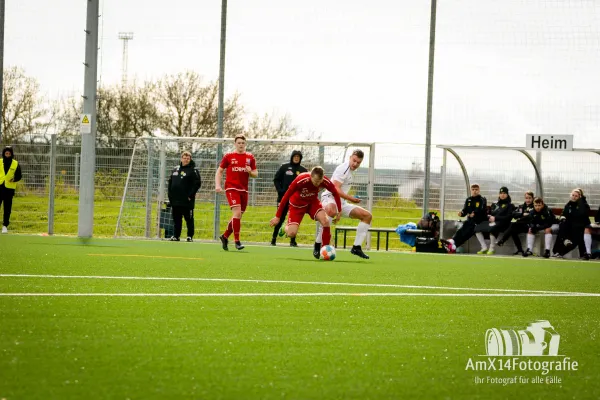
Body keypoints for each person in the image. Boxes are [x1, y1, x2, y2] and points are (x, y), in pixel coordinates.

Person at [313, 149, 372, 259]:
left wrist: (342, 206)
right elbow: (335, 189)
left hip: (341, 202)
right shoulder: (343, 169)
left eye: (358, 162)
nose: (355, 164)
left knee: (367, 216)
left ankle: (356, 247)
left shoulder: (352, 171)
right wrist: (351, 198)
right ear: (350, 158)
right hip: (329, 197)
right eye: (354, 160)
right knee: (331, 210)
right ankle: (317, 244)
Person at [269, 167, 341, 253]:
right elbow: (285, 197)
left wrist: (339, 211)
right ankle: (285, 227)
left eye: (319, 182)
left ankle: (324, 250)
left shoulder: (325, 181)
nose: (317, 184)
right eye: (315, 181)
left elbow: (335, 193)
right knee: (291, 234)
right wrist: (278, 217)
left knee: (325, 221)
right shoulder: (301, 179)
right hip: (297, 205)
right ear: (311, 176)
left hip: (312, 202)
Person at [215, 134, 258, 251]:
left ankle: (224, 236)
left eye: (243, 143)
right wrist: (218, 185)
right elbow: (219, 171)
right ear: (235, 144)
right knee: (237, 213)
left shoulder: (250, 157)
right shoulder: (229, 156)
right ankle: (237, 241)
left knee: (237, 216)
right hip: (231, 188)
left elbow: (255, 173)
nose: (241, 145)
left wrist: (250, 172)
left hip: (244, 190)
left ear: (245, 144)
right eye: (238, 143)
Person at [271, 150, 307, 246]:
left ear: (300, 159)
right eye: (294, 156)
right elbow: (276, 179)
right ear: (291, 157)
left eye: (298, 157)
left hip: (296, 200)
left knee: (294, 220)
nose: (296, 158)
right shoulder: (284, 167)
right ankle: (273, 239)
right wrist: (280, 190)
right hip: (283, 198)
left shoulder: (303, 171)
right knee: (280, 218)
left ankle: (292, 241)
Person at [167, 151, 201, 242]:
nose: (186, 160)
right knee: (176, 219)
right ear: (181, 158)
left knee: (189, 219)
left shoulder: (193, 170)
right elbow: (170, 183)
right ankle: (176, 236)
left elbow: (197, 184)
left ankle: (189, 236)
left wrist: (190, 195)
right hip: (175, 200)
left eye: (188, 158)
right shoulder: (175, 169)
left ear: (190, 159)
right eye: (184, 158)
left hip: (187, 201)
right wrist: (170, 196)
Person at [443, 183, 487, 253]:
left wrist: (474, 214)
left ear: (479, 190)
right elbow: (465, 210)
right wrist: (462, 213)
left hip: (479, 221)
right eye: (473, 189)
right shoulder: (468, 200)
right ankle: (452, 242)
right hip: (470, 221)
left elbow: (481, 210)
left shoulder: (482, 199)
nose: (474, 191)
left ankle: (453, 245)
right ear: (471, 190)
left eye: (476, 189)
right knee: (462, 230)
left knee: (466, 232)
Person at [473, 187, 515, 255]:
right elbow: (489, 213)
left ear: (507, 194)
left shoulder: (510, 205)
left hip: (503, 223)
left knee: (494, 228)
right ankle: (484, 247)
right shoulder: (495, 204)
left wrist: (495, 218)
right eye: (501, 193)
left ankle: (492, 248)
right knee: (477, 228)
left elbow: (508, 217)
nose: (502, 195)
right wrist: (486, 212)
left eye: (504, 193)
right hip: (492, 221)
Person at [553, 188, 590, 258]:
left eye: (576, 196)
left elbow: (581, 214)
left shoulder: (583, 205)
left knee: (576, 237)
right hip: (570, 225)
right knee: (562, 225)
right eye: (573, 195)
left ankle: (561, 252)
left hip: (580, 225)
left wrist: (581, 201)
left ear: (580, 197)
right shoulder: (569, 204)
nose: (574, 197)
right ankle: (563, 244)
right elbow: (564, 214)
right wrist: (562, 217)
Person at [497, 191, 535, 255]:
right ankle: (519, 250)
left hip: (528, 225)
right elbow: (514, 214)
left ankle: (502, 240)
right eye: (526, 198)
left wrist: (520, 217)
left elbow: (529, 217)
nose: (528, 200)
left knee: (513, 225)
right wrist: (522, 214)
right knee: (513, 230)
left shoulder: (534, 207)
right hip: (520, 224)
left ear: (533, 198)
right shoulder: (521, 206)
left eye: (529, 198)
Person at [0, 146, 23, 234]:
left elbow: (19, 175)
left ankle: (5, 226)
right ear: (4, 153)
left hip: (9, 189)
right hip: (0, 187)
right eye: (6, 153)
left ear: (12, 154)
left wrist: (14, 179)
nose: (7, 155)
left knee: (7, 208)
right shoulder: (0, 162)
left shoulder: (15, 163)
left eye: (9, 154)